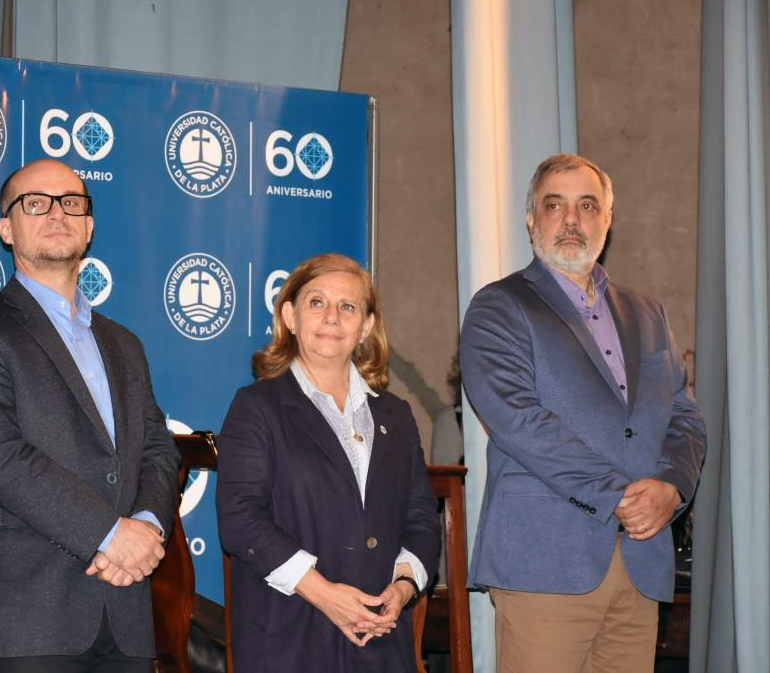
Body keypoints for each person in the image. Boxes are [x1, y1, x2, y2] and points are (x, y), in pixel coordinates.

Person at [460, 153, 706, 672]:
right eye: (555, 205)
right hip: (545, 562)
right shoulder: (499, 307)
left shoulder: (648, 312)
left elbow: (684, 416)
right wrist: (620, 495)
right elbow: (519, 421)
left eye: (587, 205)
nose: (572, 220)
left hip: (640, 564)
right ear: (532, 219)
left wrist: (672, 489)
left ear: (608, 219)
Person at [0, 159, 180, 671]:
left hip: (126, 611)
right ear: (6, 227)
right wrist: (113, 535)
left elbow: (158, 448)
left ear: (89, 226)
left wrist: (149, 528)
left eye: (72, 202)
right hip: (27, 616)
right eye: (35, 203)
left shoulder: (125, 344)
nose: (57, 213)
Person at [216, 253, 441, 672]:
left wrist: (404, 588)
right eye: (317, 302)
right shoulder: (257, 407)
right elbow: (240, 519)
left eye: (348, 307)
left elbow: (422, 518)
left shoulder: (396, 415)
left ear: (366, 326)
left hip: (381, 637)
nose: (332, 317)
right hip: (291, 635)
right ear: (291, 316)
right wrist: (325, 595)